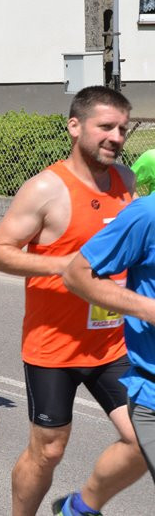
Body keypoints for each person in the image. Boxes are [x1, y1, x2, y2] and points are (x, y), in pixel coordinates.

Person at [0, 86, 147, 516]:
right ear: (75, 126)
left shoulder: (125, 182)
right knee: (49, 450)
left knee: (143, 438)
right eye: (106, 127)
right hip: (53, 347)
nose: (116, 137)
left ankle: (77, 508)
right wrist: (65, 267)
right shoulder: (46, 188)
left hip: (113, 343)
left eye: (122, 129)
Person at [65, 203, 155, 494]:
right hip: (152, 394)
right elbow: (77, 273)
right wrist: (148, 309)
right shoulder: (148, 214)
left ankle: (78, 509)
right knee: (49, 447)